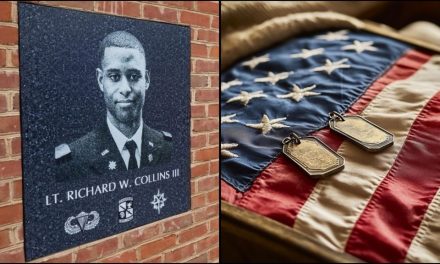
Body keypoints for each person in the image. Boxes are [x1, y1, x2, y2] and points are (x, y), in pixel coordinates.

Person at [55, 31, 172, 181]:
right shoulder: (72, 161)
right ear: (100, 80)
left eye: (134, 76)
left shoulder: (167, 147)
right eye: (114, 77)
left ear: (147, 79)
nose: (125, 89)